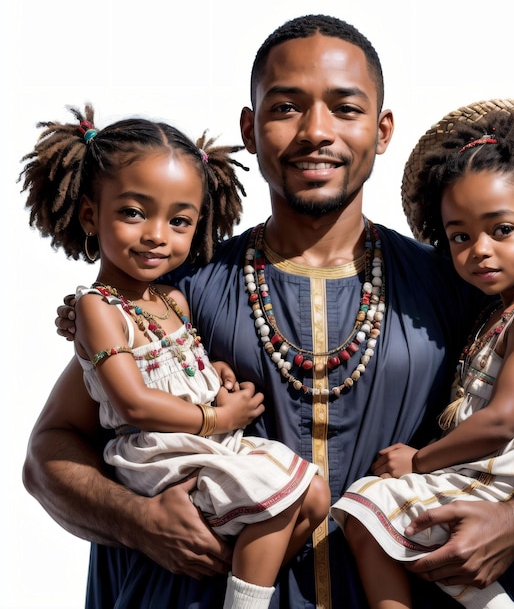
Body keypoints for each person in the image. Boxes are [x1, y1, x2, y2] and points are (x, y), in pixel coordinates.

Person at [23, 15, 514, 608]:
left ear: (382, 129)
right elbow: (50, 450)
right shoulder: (173, 292)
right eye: (286, 107)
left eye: (345, 107)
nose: (316, 130)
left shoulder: (462, 286)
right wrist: (135, 519)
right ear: (250, 128)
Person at [19, 105, 330, 609]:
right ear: (90, 215)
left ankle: (238, 583)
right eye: (134, 212)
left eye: (179, 219)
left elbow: (182, 363)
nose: (157, 234)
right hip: (164, 452)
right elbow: (136, 404)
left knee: (314, 495)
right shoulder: (96, 308)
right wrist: (216, 415)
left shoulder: (172, 299)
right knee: (277, 500)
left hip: (211, 442)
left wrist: (218, 375)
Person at [331, 101, 514, 609]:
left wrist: (420, 459)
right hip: (481, 460)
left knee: (368, 510)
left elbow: (502, 420)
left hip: (500, 466)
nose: (479, 248)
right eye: (460, 236)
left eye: (501, 230)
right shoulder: (494, 313)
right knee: (405, 528)